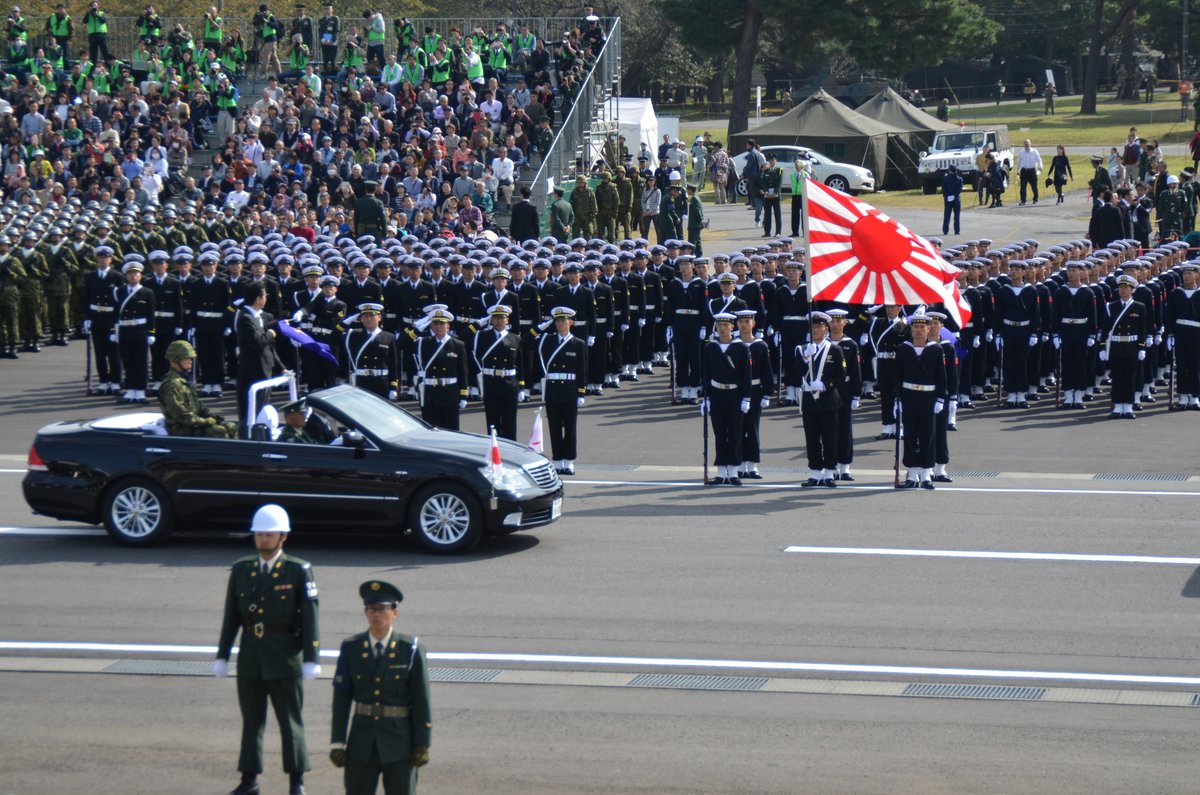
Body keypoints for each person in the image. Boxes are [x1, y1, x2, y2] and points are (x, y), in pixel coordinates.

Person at [214, 504, 321, 795]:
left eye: (268, 534)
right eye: (258, 534)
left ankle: (296, 782)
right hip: (251, 656)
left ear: (283, 536)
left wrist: (312, 657)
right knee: (251, 722)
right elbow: (231, 616)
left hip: (284, 656)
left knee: (290, 723)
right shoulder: (241, 570)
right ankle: (249, 781)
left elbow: (310, 616)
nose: (262, 539)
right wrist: (222, 654)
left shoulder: (298, 570)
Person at [329, 580, 431, 795]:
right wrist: (337, 742)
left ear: (395, 612)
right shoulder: (351, 648)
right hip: (361, 740)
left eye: (382, 609)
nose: (376, 615)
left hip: (399, 742)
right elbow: (341, 699)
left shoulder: (410, 649)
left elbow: (421, 699)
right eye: (370, 609)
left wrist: (423, 743)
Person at [895, 311, 946, 490]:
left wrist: (940, 398)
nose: (918, 330)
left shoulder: (936, 349)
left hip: (928, 397)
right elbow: (898, 376)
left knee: (927, 436)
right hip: (908, 396)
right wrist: (897, 400)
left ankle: (926, 474)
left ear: (928, 328)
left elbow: (941, 376)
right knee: (910, 436)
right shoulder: (903, 348)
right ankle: (912, 473)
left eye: (922, 327)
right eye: (915, 327)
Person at [701, 312, 751, 485]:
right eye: (719, 325)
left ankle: (734, 471)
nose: (722, 329)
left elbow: (746, 375)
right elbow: (705, 373)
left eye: (725, 325)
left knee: (735, 434)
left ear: (732, 327)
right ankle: (722, 471)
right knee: (720, 433)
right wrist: (705, 398)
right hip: (716, 394)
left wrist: (746, 398)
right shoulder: (710, 348)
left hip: (735, 394)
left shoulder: (741, 348)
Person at [797, 312, 846, 488]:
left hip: (828, 400)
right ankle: (815, 473)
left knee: (830, 438)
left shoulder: (835, 349)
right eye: (813, 326)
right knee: (812, 439)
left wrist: (826, 385)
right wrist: (804, 358)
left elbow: (842, 376)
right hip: (810, 399)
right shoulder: (802, 349)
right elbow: (795, 373)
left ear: (826, 328)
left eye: (819, 326)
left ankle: (830, 472)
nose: (816, 329)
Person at [538, 306, 587, 475]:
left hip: (570, 390)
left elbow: (582, 370)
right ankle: (558, 460)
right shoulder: (547, 340)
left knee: (570, 427)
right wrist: (541, 327)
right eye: (557, 321)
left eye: (563, 321)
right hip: (553, 390)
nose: (560, 324)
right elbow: (527, 342)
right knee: (554, 426)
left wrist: (581, 392)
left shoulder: (578, 344)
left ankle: (569, 460)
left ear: (570, 322)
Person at [158, 340, 238, 436]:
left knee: (232, 426)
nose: (190, 361)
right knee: (220, 431)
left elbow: (198, 407)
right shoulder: (171, 384)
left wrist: (212, 417)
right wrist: (208, 421)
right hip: (181, 430)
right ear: (176, 359)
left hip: (194, 425)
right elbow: (183, 417)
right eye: (187, 358)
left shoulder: (182, 380)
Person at [1100, 273, 1148, 419]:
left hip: (1131, 346)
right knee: (1117, 377)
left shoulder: (1139, 307)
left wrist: (1141, 347)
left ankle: (1127, 407)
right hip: (1116, 346)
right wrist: (1102, 347)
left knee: (1129, 378)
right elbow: (1105, 329)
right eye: (1121, 287)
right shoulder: (1111, 307)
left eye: (1126, 287)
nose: (1123, 290)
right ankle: (1117, 406)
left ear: (1132, 290)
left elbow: (1142, 330)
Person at [474, 302, 524, 440]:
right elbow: (474, 354)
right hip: (491, 383)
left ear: (507, 320)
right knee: (492, 424)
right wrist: (479, 323)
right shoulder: (482, 336)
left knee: (510, 424)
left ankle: (509, 454)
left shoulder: (515, 338)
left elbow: (520, 364)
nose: (499, 320)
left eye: (502, 318)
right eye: (495, 317)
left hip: (510, 385)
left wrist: (522, 386)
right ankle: (494, 454)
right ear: (491, 319)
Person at [237, 280, 282, 433]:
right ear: (258, 299)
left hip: (265, 369)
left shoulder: (258, 316)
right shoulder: (245, 318)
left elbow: (269, 347)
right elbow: (258, 342)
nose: (266, 298)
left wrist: (281, 367)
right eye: (264, 296)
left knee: (261, 409)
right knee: (251, 411)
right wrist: (271, 333)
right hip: (253, 371)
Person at [414, 306, 469, 430]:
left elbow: (463, 371)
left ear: (448, 326)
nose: (439, 326)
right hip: (430, 393)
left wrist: (463, 394)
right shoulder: (423, 343)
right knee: (432, 429)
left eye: (442, 323)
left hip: (450, 392)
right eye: (435, 323)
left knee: (451, 430)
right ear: (431, 326)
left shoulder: (458, 344)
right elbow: (402, 342)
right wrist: (417, 328)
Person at [735, 309, 773, 480]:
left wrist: (767, 394)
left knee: (753, 427)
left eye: (747, 321)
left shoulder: (760, 345)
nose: (744, 325)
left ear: (753, 324)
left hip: (755, 390)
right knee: (738, 429)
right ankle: (740, 464)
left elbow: (767, 371)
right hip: (736, 391)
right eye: (741, 322)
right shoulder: (734, 344)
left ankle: (753, 465)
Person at [114, 257, 157, 405]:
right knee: (127, 360)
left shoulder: (147, 292)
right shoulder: (119, 291)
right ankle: (130, 389)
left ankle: (140, 391)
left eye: (136, 274)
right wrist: (113, 330)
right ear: (126, 276)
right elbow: (115, 312)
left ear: (140, 276)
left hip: (140, 330)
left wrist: (151, 332)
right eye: (130, 274)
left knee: (141, 361)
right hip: (125, 329)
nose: (133, 276)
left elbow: (151, 314)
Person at [826, 309, 861, 481]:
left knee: (845, 428)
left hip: (845, 388)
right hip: (826, 389)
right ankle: (830, 465)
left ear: (845, 323)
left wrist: (856, 394)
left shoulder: (850, 344)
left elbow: (855, 371)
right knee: (828, 429)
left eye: (839, 321)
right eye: (832, 321)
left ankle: (845, 467)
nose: (835, 324)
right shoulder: (820, 343)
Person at [343, 302, 399, 399]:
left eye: (372, 316)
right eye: (365, 316)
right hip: (362, 381)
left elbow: (393, 363)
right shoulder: (354, 335)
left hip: (381, 381)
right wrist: (344, 323)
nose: (368, 319)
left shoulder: (389, 337)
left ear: (379, 317)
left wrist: (393, 386)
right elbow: (333, 338)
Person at [1165, 261, 1200, 409]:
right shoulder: (1175, 293)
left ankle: (1194, 397)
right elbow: (1169, 316)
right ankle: (1183, 396)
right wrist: (1170, 334)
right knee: (1181, 365)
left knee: (1195, 365)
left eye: (1190, 273)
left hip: (1197, 333)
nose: (1187, 276)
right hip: (1180, 332)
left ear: (1197, 275)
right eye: (1185, 273)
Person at [758, 153, 783, 238]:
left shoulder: (779, 170)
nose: (772, 162)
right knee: (767, 214)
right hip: (767, 195)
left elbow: (779, 183)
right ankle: (767, 232)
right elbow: (762, 182)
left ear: (776, 161)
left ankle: (778, 232)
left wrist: (775, 192)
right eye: (770, 160)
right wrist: (766, 191)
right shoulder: (765, 171)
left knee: (777, 214)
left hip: (775, 195)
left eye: (773, 160)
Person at [1016, 139, 1042, 206]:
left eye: (1027, 143)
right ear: (1023, 145)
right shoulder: (1021, 152)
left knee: (1034, 186)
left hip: (1032, 171)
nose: (1026, 144)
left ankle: (1035, 199)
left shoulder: (1034, 151)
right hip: (1024, 171)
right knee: (1023, 187)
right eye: (1025, 143)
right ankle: (1023, 200)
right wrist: (1017, 170)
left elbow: (1039, 160)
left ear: (1030, 144)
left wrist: (1040, 168)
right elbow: (1019, 162)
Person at [941, 164, 963, 235]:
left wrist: (946, 196)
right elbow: (959, 189)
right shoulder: (959, 179)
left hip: (948, 198)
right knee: (957, 215)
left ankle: (945, 230)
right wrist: (954, 195)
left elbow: (943, 189)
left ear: (949, 171)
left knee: (947, 214)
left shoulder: (945, 178)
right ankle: (957, 231)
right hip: (956, 198)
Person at [685, 183, 705, 255]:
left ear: (690, 190)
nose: (687, 191)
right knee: (698, 241)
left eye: (688, 189)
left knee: (692, 242)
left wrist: (701, 221)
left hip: (694, 225)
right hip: (696, 225)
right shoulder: (697, 197)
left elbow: (697, 211)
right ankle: (699, 255)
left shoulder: (694, 199)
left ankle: (692, 256)